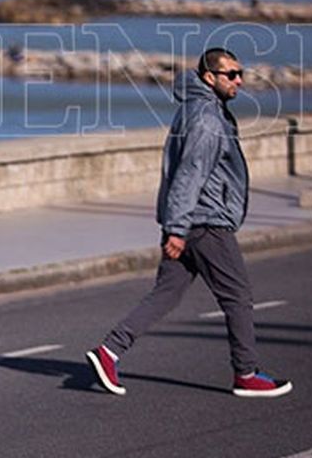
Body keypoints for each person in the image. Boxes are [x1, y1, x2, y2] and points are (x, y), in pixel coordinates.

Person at [86, 48, 292, 399]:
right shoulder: (207, 119)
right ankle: (246, 373)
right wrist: (178, 229)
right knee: (238, 297)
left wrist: (175, 226)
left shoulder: (196, 109)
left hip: (188, 220)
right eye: (231, 74)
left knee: (166, 293)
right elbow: (189, 174)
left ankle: (108, 352)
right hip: (205, 222)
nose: (239, 80)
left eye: (240, 73)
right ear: (210, 78)